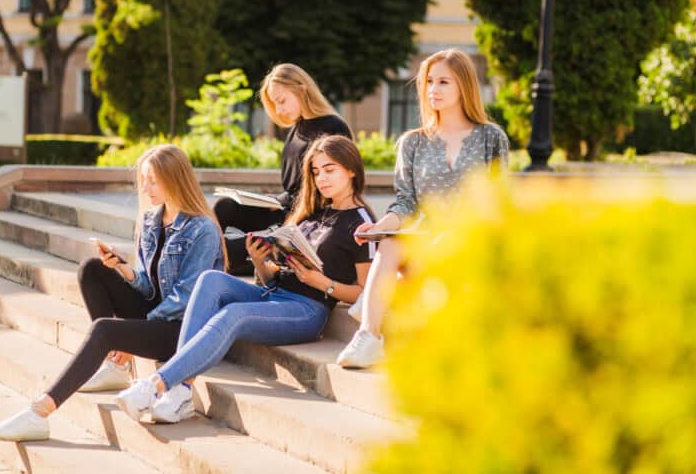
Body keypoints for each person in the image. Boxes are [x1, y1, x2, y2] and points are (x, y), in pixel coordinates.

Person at [113, 135, 375, 421]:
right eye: (316, 171)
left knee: (233, 314)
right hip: (276, 294)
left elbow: (365, 292)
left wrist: (320, 282)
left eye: (330, 169)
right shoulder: (311, 213)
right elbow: (272, 278)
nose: (321, 178)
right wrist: (261, 262)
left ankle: (160, 386)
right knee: (211, 279)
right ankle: (180, 392)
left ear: (351, 169)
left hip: (307, 310)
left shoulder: (361, 222)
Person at [0, 144, 226, 441]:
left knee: (105, 330)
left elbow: (185, 300)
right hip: (157, 316)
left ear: (175, 179)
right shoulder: (152, 220)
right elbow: (151, 288)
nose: (146, 188)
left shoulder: (202, 229)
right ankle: (116, 364)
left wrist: (134, 328)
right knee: (92, 269)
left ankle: (39, 412)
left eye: (153, 181)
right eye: (143, 180)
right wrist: (124, 269)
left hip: (182, 332)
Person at [337, 48, 510, 369]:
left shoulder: (491, 138)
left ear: (464, 86)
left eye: (443, 81)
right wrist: (379, 226)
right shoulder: (413, 142)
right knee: (388, 242)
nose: (433, 89)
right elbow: (405, 202)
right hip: (424, 244)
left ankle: (376, 296)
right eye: (429, 81)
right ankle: (368, 337)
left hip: (471, 242)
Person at [214, 63, 352, 275]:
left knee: (232, 247)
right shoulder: (296, 128)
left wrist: (286, 208)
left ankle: (247, 262)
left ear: (301, 89)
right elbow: (293, 188)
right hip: (284, 210)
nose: (279, 111)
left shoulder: (332, 128)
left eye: (282, 101)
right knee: (225, 207)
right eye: (274, 104)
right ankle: (241, 261)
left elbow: (330, 192)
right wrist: (274, 200)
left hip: (307, 219)